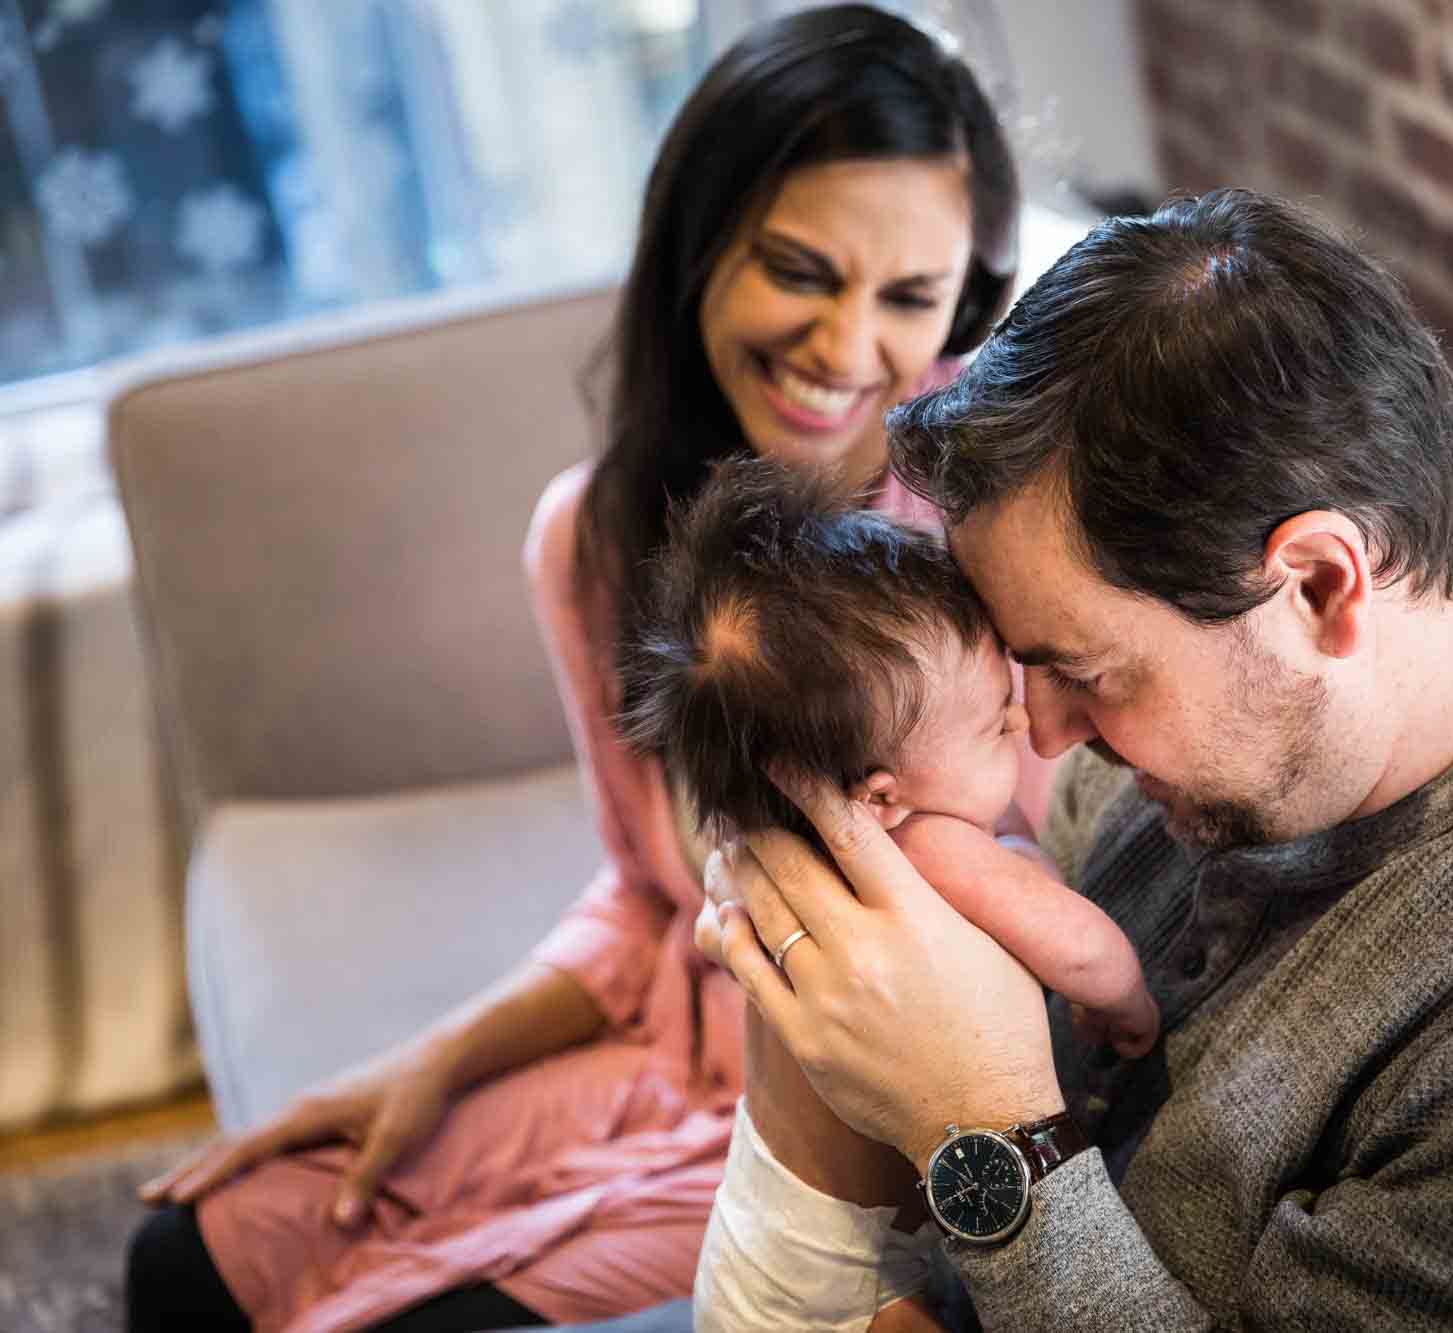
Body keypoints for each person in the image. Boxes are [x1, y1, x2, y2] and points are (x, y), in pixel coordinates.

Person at [699, 189, 1453, 1330]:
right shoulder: (1317, 724)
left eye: (1082, 671)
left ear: (1316, 582)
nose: (1047, 730)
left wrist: (982, 1138)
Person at [125, 8, 1027, 1330]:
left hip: (845, 1125)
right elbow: (640, 890)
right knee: (188, 1257)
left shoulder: (994, 521)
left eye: (907, 298)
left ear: (963, 305)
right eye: (799, 268)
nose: (845, 348)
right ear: (697, 241)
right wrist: (431, 1063)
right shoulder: (595, 538)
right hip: (656, 1054)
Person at [616, 455, 1157, 1329]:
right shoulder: (931, 849)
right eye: (994, 720)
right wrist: (1128, 1003)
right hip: (850, 1291)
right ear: (875, 795)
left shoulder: (787, 847)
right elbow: (1084, 946)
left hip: (772, 1240)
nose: (1026, 724)